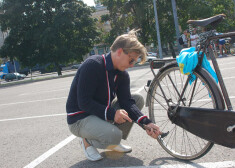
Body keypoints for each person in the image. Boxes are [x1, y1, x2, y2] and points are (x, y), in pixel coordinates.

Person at [66, 30, 161, 161]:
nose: (132, 65)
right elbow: (84, 102)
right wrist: (112, 114)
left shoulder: (122, 74)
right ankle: (87, 141)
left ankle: (112, 139)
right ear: (120, 51)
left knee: (137, 99)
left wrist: (146, 122)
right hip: (79, 118)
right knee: (114, 135)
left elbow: (127, 102)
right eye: (131, 60)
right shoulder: (93, 65)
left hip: (98, 113)